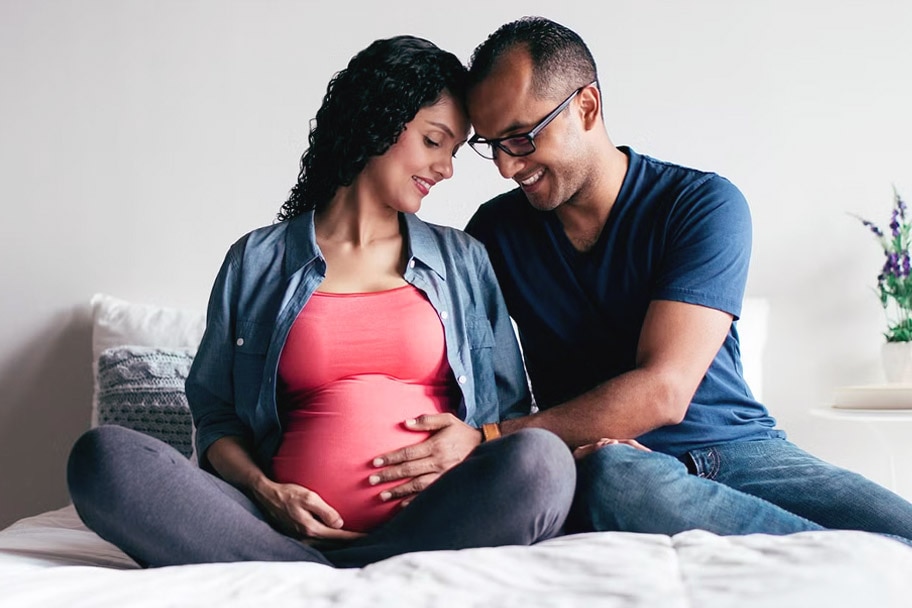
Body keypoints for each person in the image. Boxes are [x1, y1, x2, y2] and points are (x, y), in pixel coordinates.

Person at [66, 34, 575, 569]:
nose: (447, 168)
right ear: (378, 122)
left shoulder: (463, 259)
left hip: (434, 518)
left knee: (544, 464)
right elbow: (216, 418)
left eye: (452, 151)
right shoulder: (257, 261)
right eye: (433, 141)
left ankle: (339, 565)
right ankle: (314, 561)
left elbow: (510, 412)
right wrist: (267, 491)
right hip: (274, 526)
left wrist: (472, 440)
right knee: (102, 459)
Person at [448, 16, 912, 541]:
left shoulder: (701, 204)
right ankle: (862, 564)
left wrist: (493, 437)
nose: (507, 168)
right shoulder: (495, 233)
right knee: (612, 479)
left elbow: (664, 391)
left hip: (745, 453)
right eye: (491, 145)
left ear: (586, 107)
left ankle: (868, 561)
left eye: (522, 138)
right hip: (613, 464)